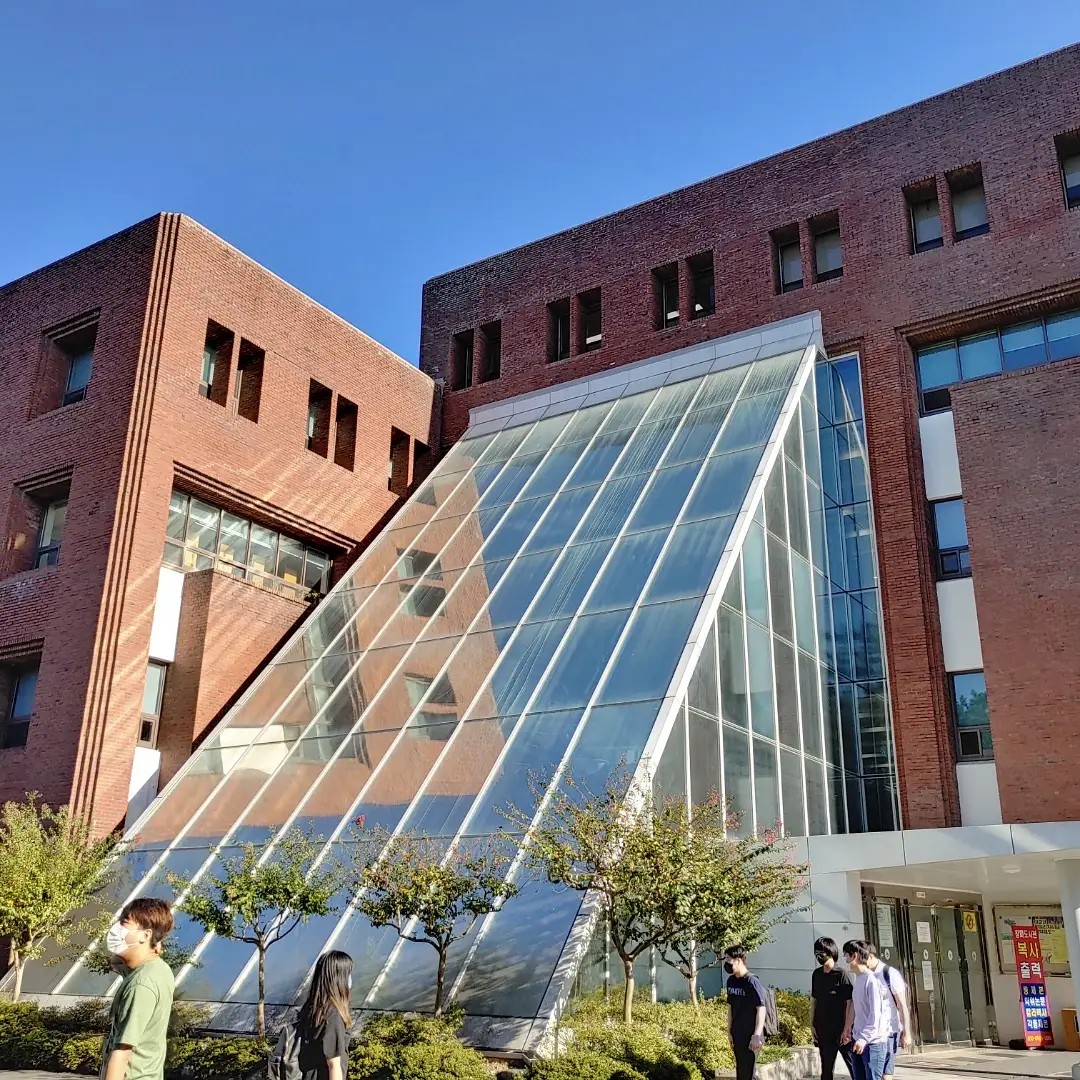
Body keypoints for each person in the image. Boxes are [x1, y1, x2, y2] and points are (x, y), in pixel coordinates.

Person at [100, 897, 175, 1080]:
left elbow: (122, 1053)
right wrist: (154, 943)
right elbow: (117, 962)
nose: (117, 928)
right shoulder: (158, 969)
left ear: (145, 935)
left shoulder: (140, 984)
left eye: (124, 923)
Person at [296, 950, 354, 1080]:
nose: (350, 979)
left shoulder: (311, 1008)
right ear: (339, 978)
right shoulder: (333, 1015)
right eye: (348, 973)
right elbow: (334, 1064)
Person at [843, 940, 891, 1080]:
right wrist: (848, 1027)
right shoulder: (859, 978)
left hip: (873, 1044)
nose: (845, 960)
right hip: (858, 1039)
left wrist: (864, 1038)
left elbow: (876, 1014)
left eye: (846, 956)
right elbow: (855, 1006)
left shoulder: (871, 980)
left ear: (855, 956)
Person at [866, 944, 913, 1080]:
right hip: (872, 1032)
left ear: (870, 956)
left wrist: (907, 1033)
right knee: (874, 1072)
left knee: (886, 1074)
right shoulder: (866, 975)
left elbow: (902, 1005)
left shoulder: (889, 973)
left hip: (889, 1031)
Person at [810, 937, 854, 1080]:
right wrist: (812, 1024)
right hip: (823, 1029)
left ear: (831, 952)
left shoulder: (842, 974)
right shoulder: (817, 974)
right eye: (817, 952)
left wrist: (847, 1028)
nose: (819, 955)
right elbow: (814, 1000)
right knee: (826, 1069)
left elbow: (850, 1002)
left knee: (853, 1066)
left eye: (822, 952)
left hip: (841, 1029)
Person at [725, 945, 767, 1080]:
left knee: (748, 1072)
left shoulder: (752, 982)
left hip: (751, 1035)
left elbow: (761, 1008)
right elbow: (730, 1007)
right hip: (737, 1034)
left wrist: (757, 1035)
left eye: (728, 959)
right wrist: (729, 1031)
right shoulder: (731, 981)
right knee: (741, 1071)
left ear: (738, 961)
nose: (726, 962)